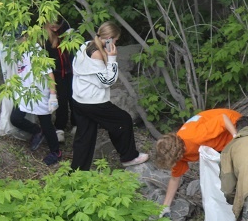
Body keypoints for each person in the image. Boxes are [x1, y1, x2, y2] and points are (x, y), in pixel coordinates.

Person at [70, 21, 148, 171]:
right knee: (123, 120)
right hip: (93, 102)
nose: (116, 43)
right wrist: (112, 58)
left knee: (84, 136)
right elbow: (108, 81)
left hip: (79, 99)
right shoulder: (97, 54)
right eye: (116, 40)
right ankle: (129, 157)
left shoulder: (86, 45)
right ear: (109, 38)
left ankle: (77, 171)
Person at [153, 108, 241, 217]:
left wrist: (237, 138)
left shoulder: (195, 137)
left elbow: (223, 119)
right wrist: (165, 206)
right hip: (216, 144)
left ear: (177, 155)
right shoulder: (178, 152)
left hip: (233, 125)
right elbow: (175, 178)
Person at [9, 28, 62, 166]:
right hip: (26, 91)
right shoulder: (18, 51)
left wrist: (53, 95)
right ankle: (37, 131)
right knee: (15, 118)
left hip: (40, 92)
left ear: (26, 36)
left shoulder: (36, 51)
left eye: (20, 38)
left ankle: (56, 152)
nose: (18, 41)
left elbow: (50, 74)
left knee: (46, 123)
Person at [44, 17, 74, 140]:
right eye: (53, 26)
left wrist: (71, 36)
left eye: (57, 26)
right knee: (61, 98)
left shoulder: (66, 27)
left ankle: (76, 123)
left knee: (74, 97)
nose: (55, 28)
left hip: (70, 70)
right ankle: (60, 127)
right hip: (55, 72)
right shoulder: (43, 36)